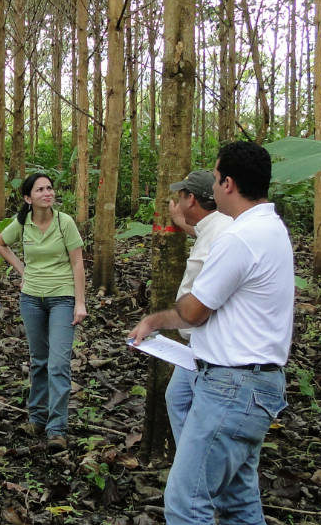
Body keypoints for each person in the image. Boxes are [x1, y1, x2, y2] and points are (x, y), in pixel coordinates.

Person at [129, 141, 293, 524]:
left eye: (216, 178)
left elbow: (194, 311)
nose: (214, 187)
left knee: (187, 502)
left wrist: (153, 322)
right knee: (238, 504)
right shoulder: (270, 227)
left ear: (228, 184)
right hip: (253, 385)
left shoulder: (238, 239)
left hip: (232, 389)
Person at [0, 173, 86, 451]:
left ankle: (56, 428)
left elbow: (78, 263)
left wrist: (80, 302)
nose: (47, 193)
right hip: (31, 299)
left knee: (58, 363)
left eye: (49, 188)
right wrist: (22, 270)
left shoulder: (64, 222)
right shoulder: (22, 223)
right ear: (27, 198)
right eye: (40, 189)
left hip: (62, 298)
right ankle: (36, 418)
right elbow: (0, 243)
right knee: (39, 361)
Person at [163, 169, 232, 444]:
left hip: (212, 346)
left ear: (191, 199)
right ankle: (190, 463)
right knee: (177, 398)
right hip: (197, 343)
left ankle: (196, 471)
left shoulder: (224, 232)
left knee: (200, 411)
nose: (177, 203)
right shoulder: (214, 226)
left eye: (180, 197)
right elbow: (204, 237)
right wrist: (181, 223)